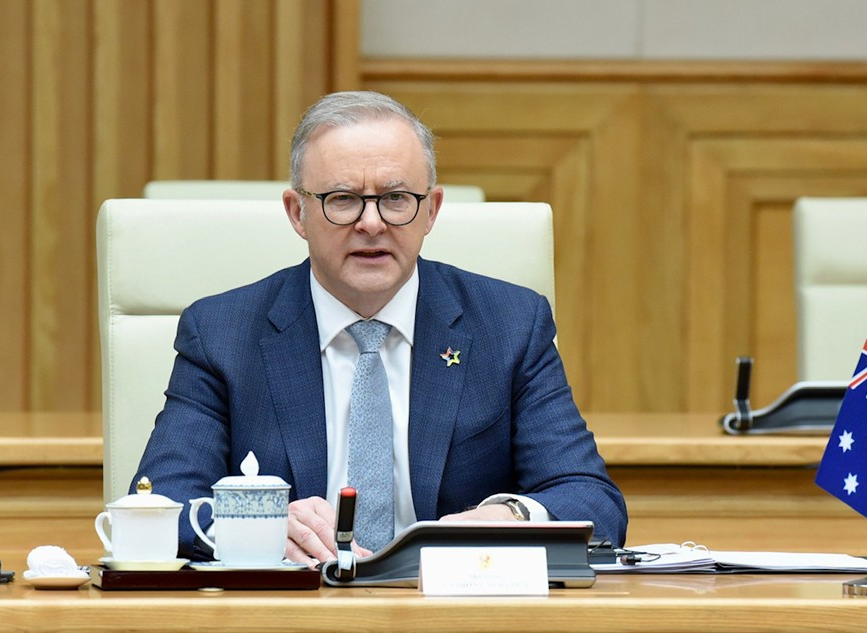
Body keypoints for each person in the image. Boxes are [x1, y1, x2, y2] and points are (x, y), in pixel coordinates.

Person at [134, 91, 627, 565]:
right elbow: (161, 503)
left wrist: (506, 517)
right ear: (297, 213)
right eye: (343, 199)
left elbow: (592, 501)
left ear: (431, 210)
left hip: (456, 623)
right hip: (289, 622)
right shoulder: (222, 333)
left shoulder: (510, 325)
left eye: (395, 198)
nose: (372, 223)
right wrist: (255, 527)